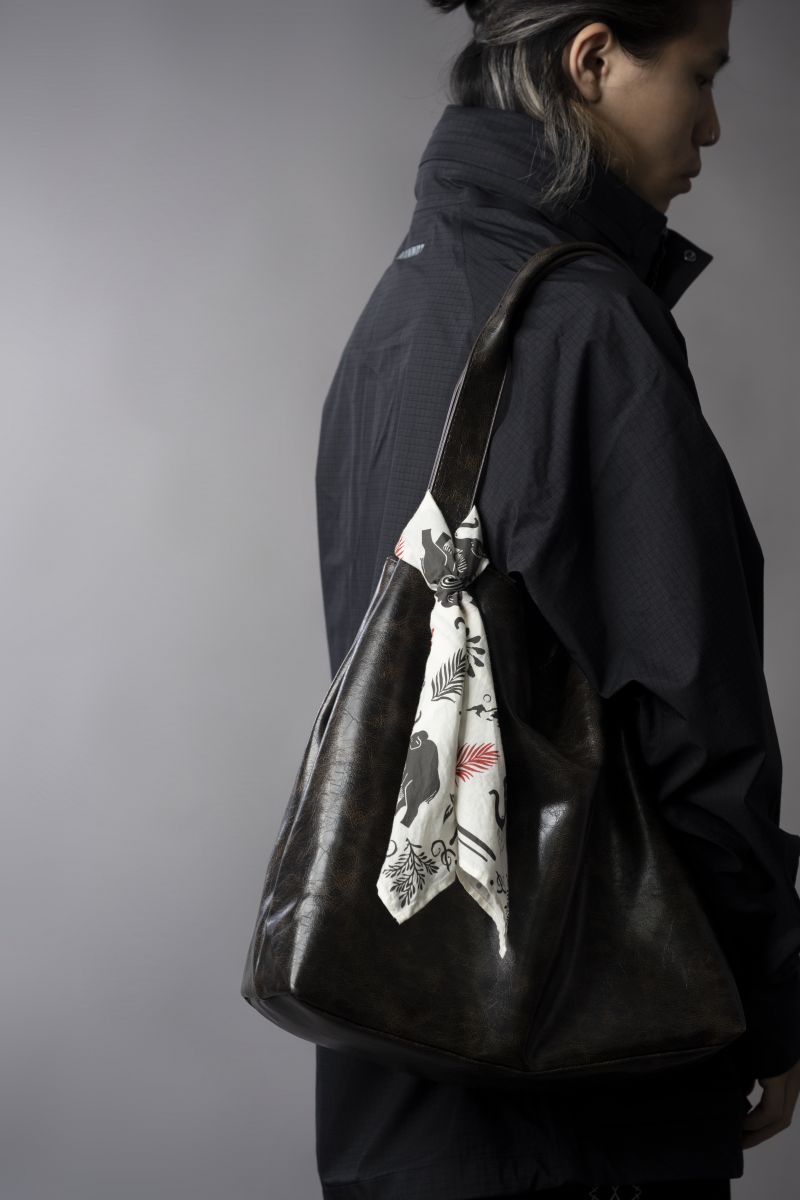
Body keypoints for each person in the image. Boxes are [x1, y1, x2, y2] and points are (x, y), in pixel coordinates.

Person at [312, 1, 800, 1196]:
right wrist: (768, 1005)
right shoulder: (584, 325)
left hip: (396, 1068)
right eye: (698, 75)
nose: (710, 126)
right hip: (590, 1082)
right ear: (591, 60)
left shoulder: (393, 313)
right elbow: (694, 728)